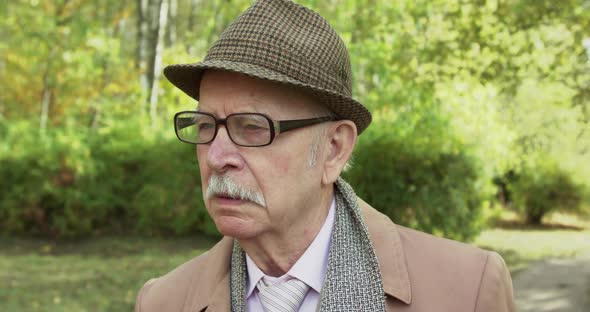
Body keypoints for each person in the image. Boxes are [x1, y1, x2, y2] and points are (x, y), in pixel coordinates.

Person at [135, 0, 515, 311]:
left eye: (252, 127)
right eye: (204, 126)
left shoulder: (468, 291)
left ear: (335, 149)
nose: (217, 156)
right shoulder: (163, 302)